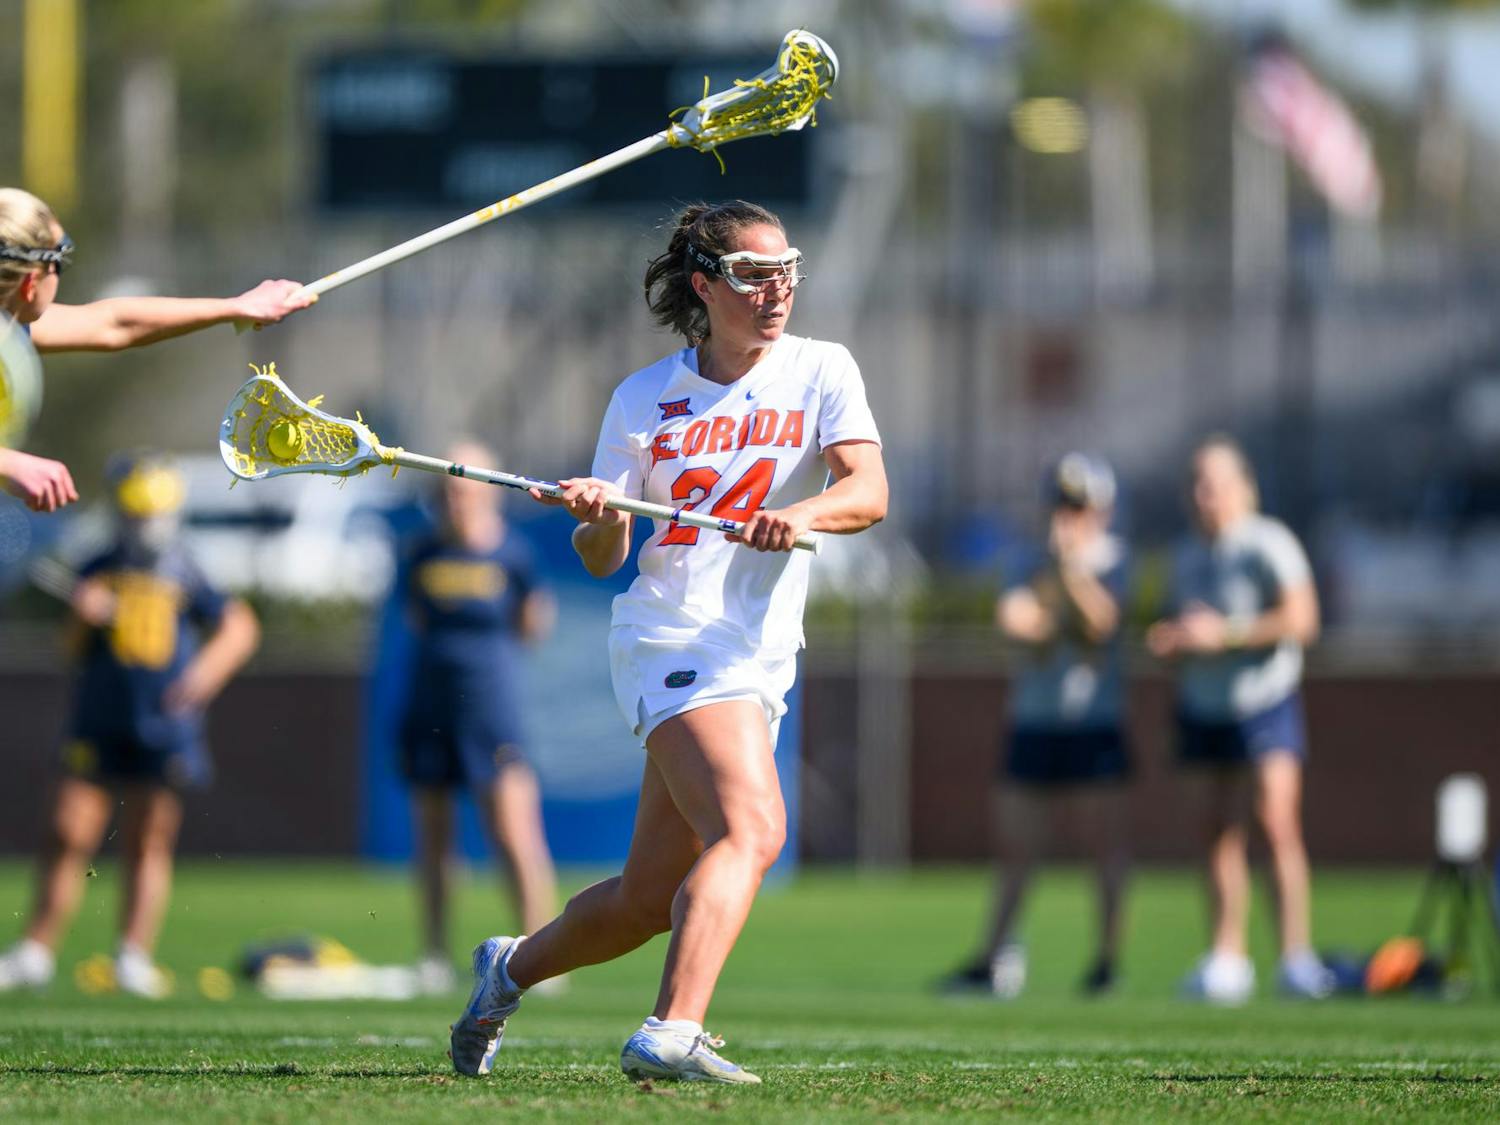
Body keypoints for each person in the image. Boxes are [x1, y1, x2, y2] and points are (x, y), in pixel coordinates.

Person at [445, 200, 887, 1084]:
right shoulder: (643, 397)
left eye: (786, 269)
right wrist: (597, 515)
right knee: (754, 828)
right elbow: (605, 556)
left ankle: (508, 969)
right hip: (671, 637)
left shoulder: (822, 368)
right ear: (706, 284)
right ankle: (672, 1028)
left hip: (758, 655)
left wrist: (795, 514)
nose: (777, 289)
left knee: (647, 898)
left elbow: (868, 491)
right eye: (755, 274)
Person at [0, 453, 259, 996]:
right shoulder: (95, 567)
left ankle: (132, 955)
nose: (145, 528)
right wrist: (82, 614)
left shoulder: (186, 569)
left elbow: (239, 627)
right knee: (67, 831)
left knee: (149, 839)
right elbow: (68, 651)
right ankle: (35, 950)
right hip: (99, 717)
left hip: (163, 725)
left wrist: (200, 679)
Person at [1146, 434, 1332, 1002]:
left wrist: (1224, 634)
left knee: (1276, 824)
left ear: (1244, 488)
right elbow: (1178, 626)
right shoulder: (1185, 555)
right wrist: (1176, 641)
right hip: (1204, 707)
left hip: (1264, 702)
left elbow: (1303, 620)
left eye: (1218, 483)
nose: (1208, 495)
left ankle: (1296, 957)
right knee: (1215, 834)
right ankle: (1228, 957)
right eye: (1198, 484)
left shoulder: (1268, 543)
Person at [942, 453, 1131, 998]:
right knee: (1016, 847)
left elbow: (1101, 625)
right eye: (1060, 504)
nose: (1066, 517)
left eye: (1078, 505)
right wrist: (1061, 588)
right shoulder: (1027, 559)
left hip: (1094, 722)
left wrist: (1069, 572)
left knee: (1104, 847)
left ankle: (1107, 962)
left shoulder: (1114, 560)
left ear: (1100, 509)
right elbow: (1024, 628)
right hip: (1035, 720)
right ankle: (995, 957)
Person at [0, 186, 311, 513]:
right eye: (60, 260)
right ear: (30, 283)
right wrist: (10, 464)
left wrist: (236, 307)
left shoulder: (11, 326)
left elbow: (113, 323)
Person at [394, 441, 560, 994]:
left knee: (514, 833)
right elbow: (414, 619)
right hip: (430, 705)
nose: (456, 501)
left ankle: (543, 951)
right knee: (435, 839)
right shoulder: (421, 554)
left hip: (492, 710)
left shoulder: (512, 556)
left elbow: (534, 623)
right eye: (447, 491)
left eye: (465, 490)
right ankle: (434, 954)